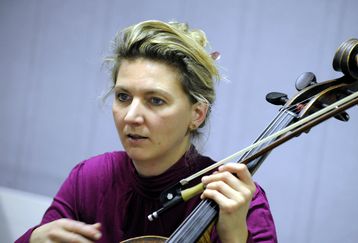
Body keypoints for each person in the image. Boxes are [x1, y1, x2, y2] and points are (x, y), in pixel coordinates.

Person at [16, 20, 277, 243]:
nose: (131, 116)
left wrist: (234, 236)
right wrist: (34, 237)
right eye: (123, 97)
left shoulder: (238, 199)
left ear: (197, 114)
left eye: (156, 100)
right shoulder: (90, 179)